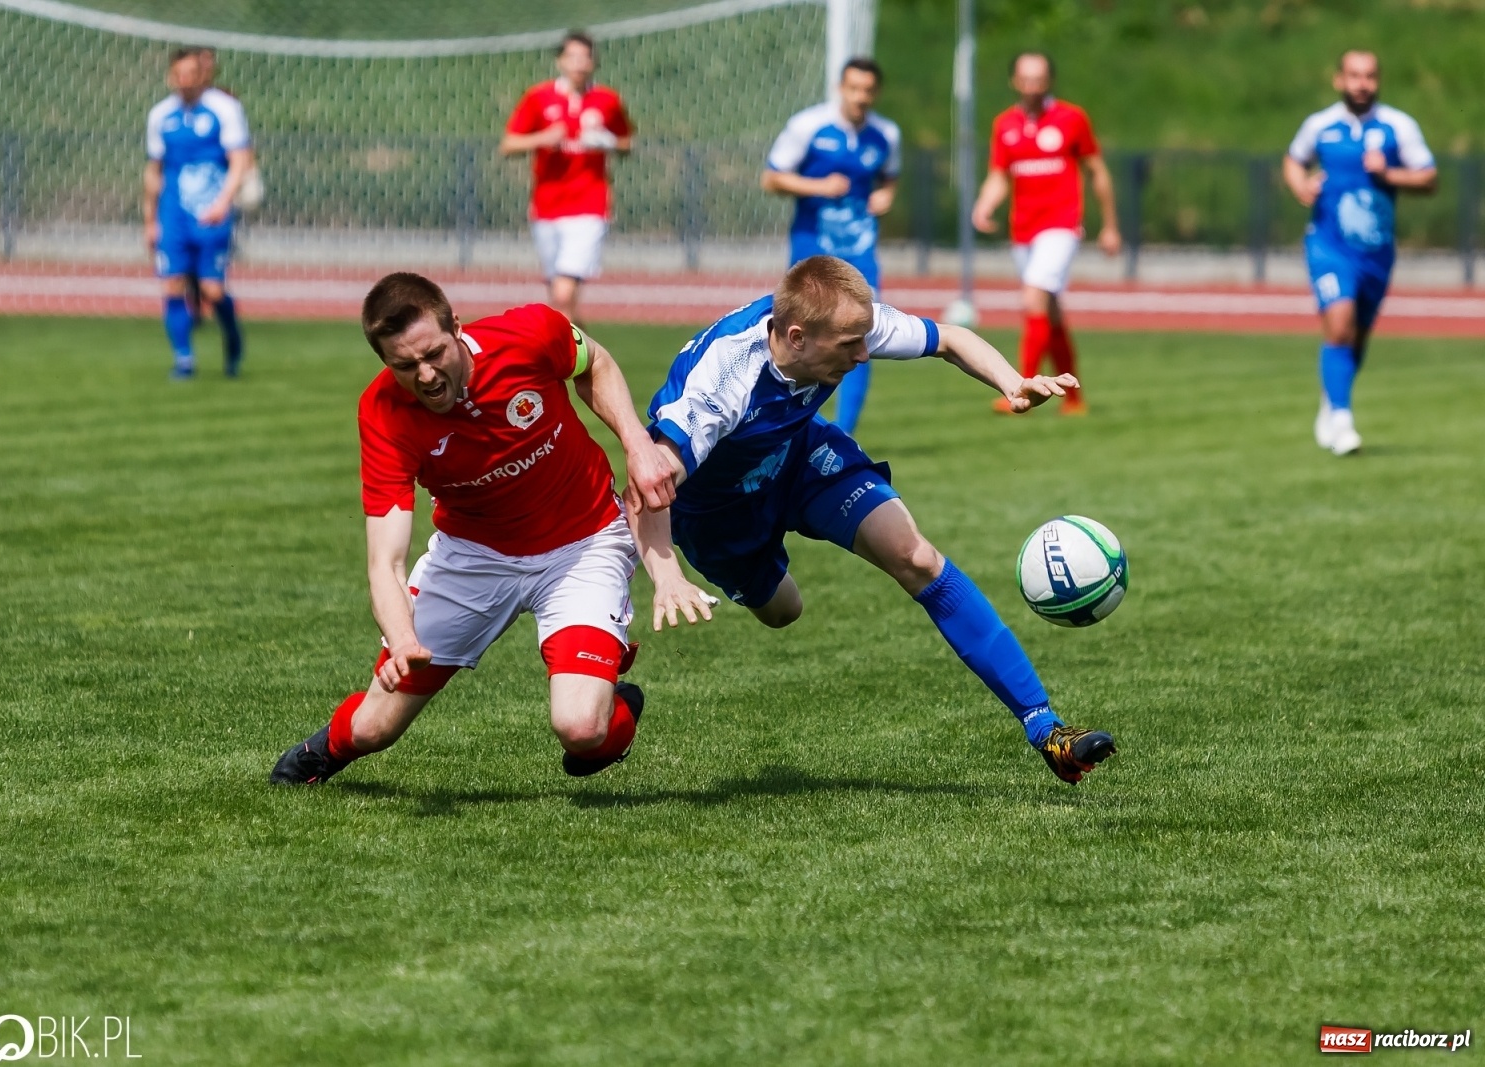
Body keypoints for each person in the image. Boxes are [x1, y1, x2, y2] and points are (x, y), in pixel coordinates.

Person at [629, 256, 1117, 784]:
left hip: (800, 457)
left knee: (917, 558)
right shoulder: (721, 387)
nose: (863, 354)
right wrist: (666, 574)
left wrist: (1012, 382)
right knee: (783, 610)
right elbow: (647, 483)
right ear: (796, 338)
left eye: (864, 340)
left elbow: (950, 339)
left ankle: (1046, 728)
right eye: (849, 346)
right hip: (716, 512)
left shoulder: (842, 321)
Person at [271, 274, 678, 785]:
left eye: (433, 354)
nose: (425, 376)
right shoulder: (383, 413)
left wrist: (637, 445)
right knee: (373, 729)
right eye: (405, 366)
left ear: (457, 328)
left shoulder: (529, 334)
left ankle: (614, 707)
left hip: (584, 542)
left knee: (583, 728)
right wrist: (402, 639)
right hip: (473, 555)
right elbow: (385, 561)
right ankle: (325, 749)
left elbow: (594, 362)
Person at [1282, 50, 1436, 456]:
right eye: (1354, 76)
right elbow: (1293, 161)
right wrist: (1300, 186)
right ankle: (1342, 420)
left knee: (1357, 337)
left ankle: (1332, 400)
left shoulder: (1398, 126)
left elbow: (1428, 177)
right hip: (1328, 245)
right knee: (1339, 325)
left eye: (1369, 76)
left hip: (1376, 252)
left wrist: (1389, 173)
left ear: (1378, 81)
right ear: (1339, 80)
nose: (1361, 84)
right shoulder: (1320, 125)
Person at [970, 52, 1119, 416]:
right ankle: (1074, 399)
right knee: (1049, 313)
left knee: (1033, 297)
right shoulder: (1005, 124)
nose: (1032, 86)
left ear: (1049, 81)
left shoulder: (1071, 118)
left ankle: (1019, 389)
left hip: (1061, 226)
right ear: (1014, 81)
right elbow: (999, 175)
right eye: (1025, 78)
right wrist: (984, 205)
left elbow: (1097, 171)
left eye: (1038, 79)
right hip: (1024, 229)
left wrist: (1110, 226)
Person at [762, 57, 900, 435]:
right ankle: (789, 424)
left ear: (876, 93)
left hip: (860, 251)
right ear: (841, 88)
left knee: (861, 335)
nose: (860, 97)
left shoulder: (886, 134)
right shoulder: (808, 126)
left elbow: (889, 178)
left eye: (867, 90)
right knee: (799, 338)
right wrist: (817, 186)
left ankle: (843, 431)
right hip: (812, 249)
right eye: (853, 88)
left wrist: (886, 195)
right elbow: (771, 179)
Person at [500, 32, 633, 326]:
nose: (579, 64)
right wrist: (542, 138)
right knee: (561, 303)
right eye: (572, 57)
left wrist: (607, 141)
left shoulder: (607, 100)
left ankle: (569, 354)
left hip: (589, 205)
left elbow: (626, 143)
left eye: (585, 57)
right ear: (560, 61)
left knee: (563, 293)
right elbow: (508, 145)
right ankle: (585, 351)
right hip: (547, 206)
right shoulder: (539, 97)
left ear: (594, 62)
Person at [143, 47, 251, 379]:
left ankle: (232, 337)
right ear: (171, 77)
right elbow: (153, 170)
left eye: (192, 73)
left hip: (210, 212)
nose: (186, 80)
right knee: (172, 285)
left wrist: (223, 202)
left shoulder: (225, 108)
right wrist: (150, 219)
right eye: (180, 74)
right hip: (173, 212)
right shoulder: (161, 115)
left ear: (203, 75)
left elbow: (240, 160)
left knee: (211, 290)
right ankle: (184, 360)